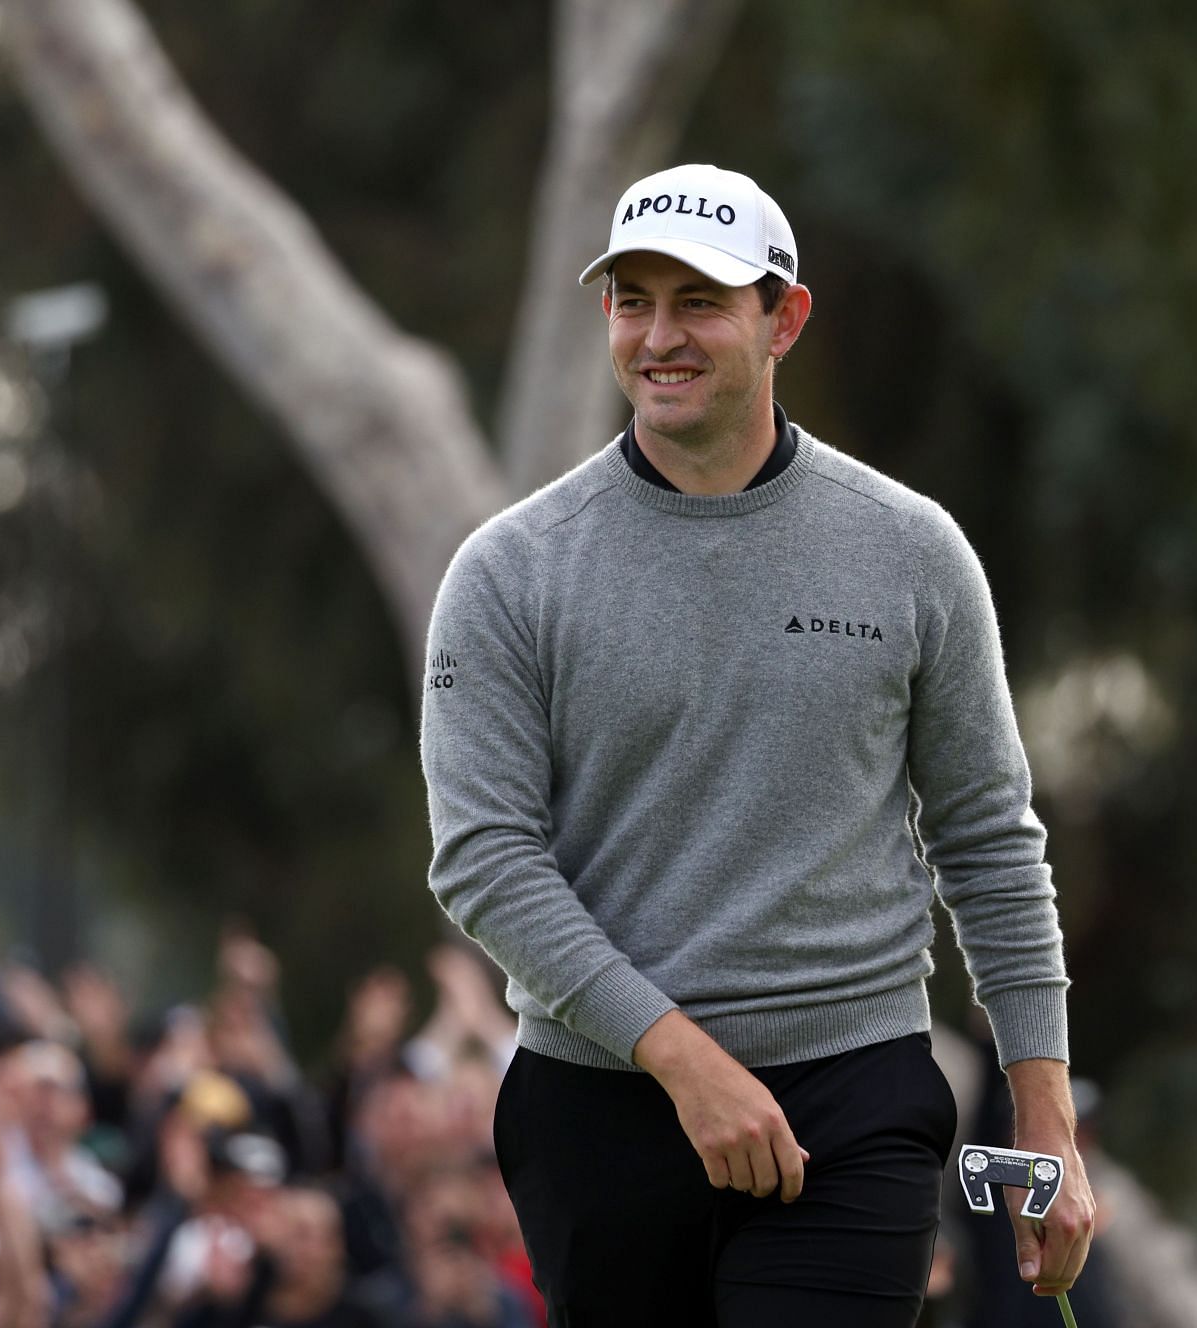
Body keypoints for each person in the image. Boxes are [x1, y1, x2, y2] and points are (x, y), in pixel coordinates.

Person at [420, 161, 1093, 1326]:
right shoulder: (509, 572)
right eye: (635, 299)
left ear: (784, 318)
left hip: (852, 1097)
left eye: (701, 301)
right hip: (603, 1102)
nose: (659, 336)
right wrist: (682, 1058)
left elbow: (989, 844)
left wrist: (1047, 1122)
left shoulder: (912, 550)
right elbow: (485, 859)